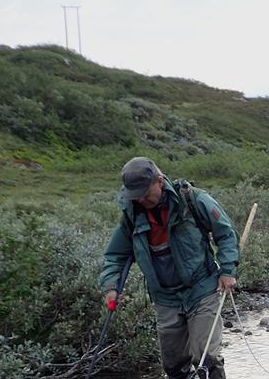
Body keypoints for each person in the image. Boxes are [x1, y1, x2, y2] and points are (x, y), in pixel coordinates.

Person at [98, 157, 239, 379]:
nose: (142, 199)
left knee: (205, 359)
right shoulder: (131, 217)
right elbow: (116, 256)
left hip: (201, 289)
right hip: (164, 297)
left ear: (160, 181)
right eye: (136, 195)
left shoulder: (193, 200)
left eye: (145, 192)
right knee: (173, 365)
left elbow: (225, 233)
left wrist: (228, 270)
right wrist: (111, 287)